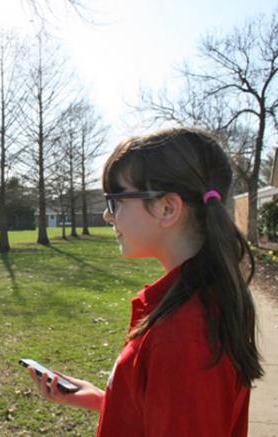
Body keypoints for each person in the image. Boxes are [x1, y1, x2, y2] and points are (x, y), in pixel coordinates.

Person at [25, 128, 264, 436]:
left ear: (167, 208)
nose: (109, 217)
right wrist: (105, 399)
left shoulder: (185, 337)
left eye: (116, 201)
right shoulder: (190, 302)